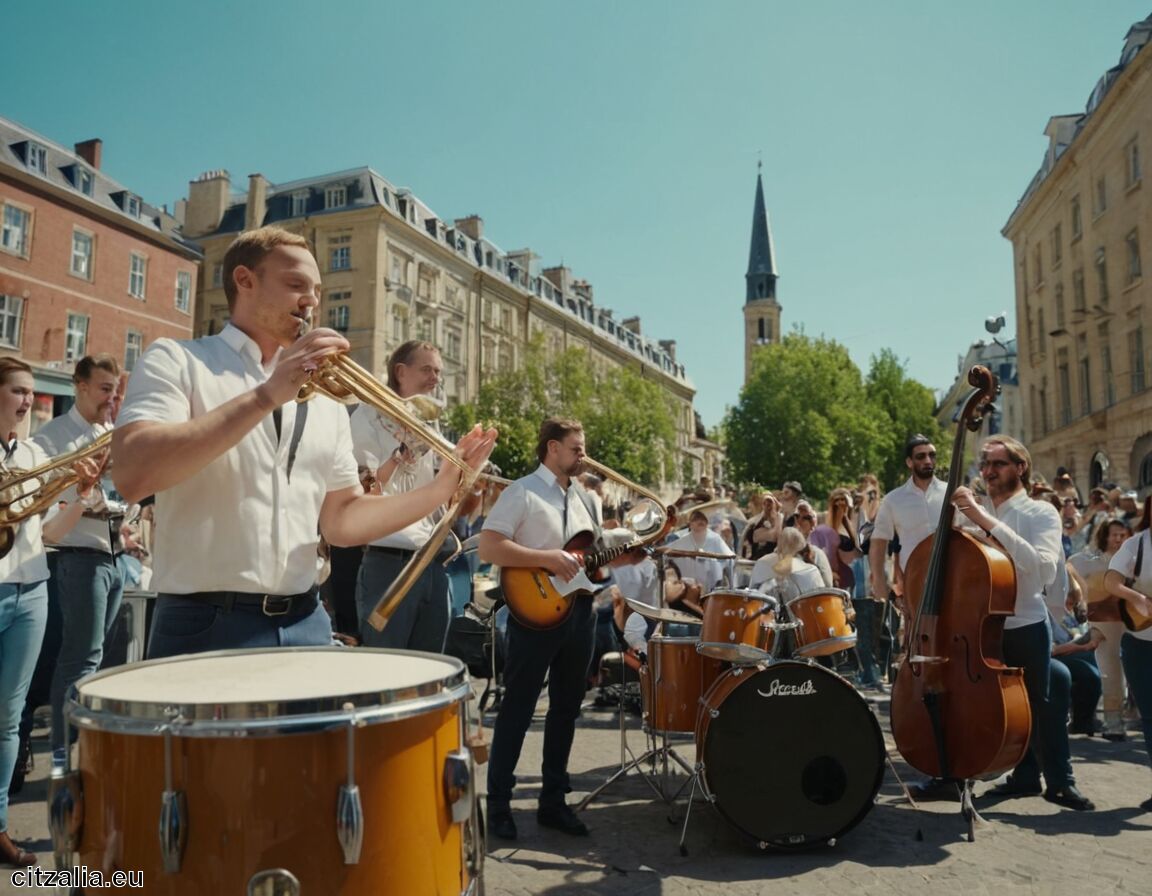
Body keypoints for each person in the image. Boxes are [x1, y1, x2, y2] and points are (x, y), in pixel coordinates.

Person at [112, 226, 495, 658]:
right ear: (244, 281)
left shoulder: (326, 402)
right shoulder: (179, 360)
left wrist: (443, 487)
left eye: (316, 289)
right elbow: (132, 474)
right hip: (203, 620)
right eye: (296, 284)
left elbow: (342, 522)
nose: (312, 300)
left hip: (306, 619)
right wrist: (267, 394)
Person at [480, 418, 610, 841]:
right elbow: (489, 546)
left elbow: (593, 555)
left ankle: (553, 800)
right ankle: (498, 804)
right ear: (552, 448)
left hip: (581, 610)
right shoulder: (522, 491)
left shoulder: (587, 499)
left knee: (566, 709)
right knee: (518, 707)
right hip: (534, 614)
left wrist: (621, 557)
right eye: (576, 448)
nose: (583, 456)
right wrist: (548, 558)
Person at [951, 436, 1093, 811]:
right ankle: (1024, 775)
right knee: (1004, 708)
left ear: (1020, 467)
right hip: (981, 627)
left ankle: (1061, 783)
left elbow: (1045, 568)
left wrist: (984, 522)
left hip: (1026, 623)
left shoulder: (1040, 513)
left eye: (998, 463)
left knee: (1040, 706)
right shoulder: (973, 509)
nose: (989, 471)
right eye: (985, 465)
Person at [0, 358, 102, 867]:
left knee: (7, 720)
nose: (26, 401)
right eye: (17, 391)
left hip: (31, 589)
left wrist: (80, 497)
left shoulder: (33, 453)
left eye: (28, 393)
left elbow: (47, 536)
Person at [29, 354, 126, 769]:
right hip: (77, 558)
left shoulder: (109, 432)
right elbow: (50, 508)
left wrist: (123, 510)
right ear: (80, 386)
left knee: (96, 657)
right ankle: (62, 757)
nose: (112, 398)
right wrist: (97, 503)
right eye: (105, 388)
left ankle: (74, 749)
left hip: (111, 555)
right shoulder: (53, 438)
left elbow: (124, 495)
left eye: (116, 389)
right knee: (79, 659)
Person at [350, 339, 456, 652]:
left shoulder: (430, 422)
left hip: (431, 561)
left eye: (438, 372)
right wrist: (400, 456)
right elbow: (363, 491)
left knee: (431, 667)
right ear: (400, 372)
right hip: (388, 561)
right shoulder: (366, 416)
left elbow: (438, 497)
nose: (435, 378)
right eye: (427, 370)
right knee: (387, 666)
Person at [1104, 497, 1152, 811]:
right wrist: (1135, 596)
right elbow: (1111, 581)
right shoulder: (1137, 544)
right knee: (1150, 715)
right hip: (1140, 640)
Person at [1069, 518, 1131, 739]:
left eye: (1122, 535)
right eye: (1114, 534)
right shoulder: (1091, 560)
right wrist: (1080, 598)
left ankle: (1132, 715)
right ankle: (1113, 723)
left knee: (1130, 673)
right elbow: (1070, 567)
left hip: (1133, 623)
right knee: (1109, 671)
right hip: (1103, 624)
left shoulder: (1134, 560)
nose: (1117, 539)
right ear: (1104, 535)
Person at [663, 509, 734, 593]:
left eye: (703, 519)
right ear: (690, 523)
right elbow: (665, 555)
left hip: (709, 589)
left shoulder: (715, 539)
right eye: (696, 519)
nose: (700, 521)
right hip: (685, 589)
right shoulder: (681, 539)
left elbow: (729, 560)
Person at [748, 526, 825, 598]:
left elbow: (751, 595)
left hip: (768, 610)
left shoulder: (763, 562)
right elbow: (821, 600)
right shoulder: (812, 571)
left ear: (779, 544)